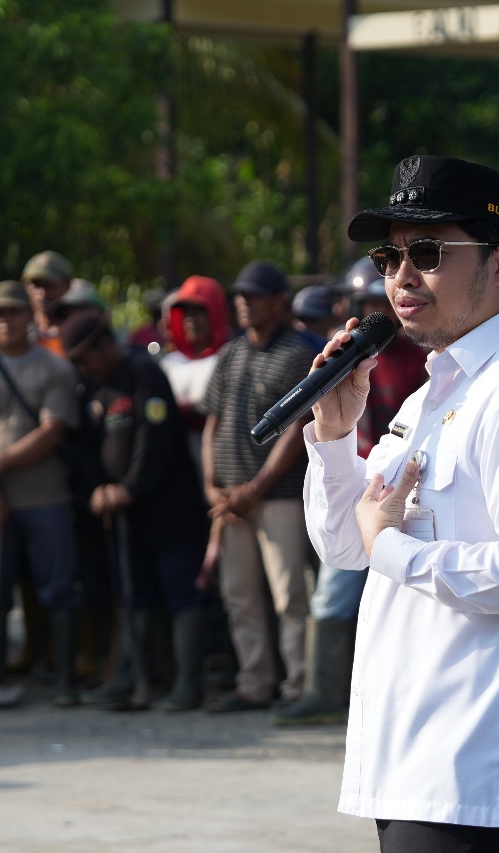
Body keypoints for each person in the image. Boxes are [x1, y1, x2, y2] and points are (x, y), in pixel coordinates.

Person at [305, 154, 499, 850]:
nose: (401, 277)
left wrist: (396, 548)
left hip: (488, 778)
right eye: (390, 256)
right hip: (419, 764)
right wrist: (332, 435)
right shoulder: (435, 391)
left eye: (429, 253)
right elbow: (348, 547)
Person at [272, 256, 426, 727]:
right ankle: (322, 692)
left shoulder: (421, 359)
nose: (373, 309)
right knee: (332, 594)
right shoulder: (350, 357)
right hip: (355, 480)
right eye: (363, 302)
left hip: (404, 487)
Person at [62, 313, 209, 712]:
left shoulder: (144, 374)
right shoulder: (92, 387)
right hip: (126, 514)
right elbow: (85, 447)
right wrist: (98, 489)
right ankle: (134, 677)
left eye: (85, 358)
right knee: (135, 594)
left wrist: (129, 488)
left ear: (105, 344)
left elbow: (154, 441)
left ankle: (187, 684)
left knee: (181, 594)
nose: (82, 367)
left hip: (169, 508)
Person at [0, 281, 82, 707]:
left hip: (45, 496)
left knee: (58, 587)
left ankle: (63, 680)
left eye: (14, 312)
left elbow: (51, 431)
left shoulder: (55, 368)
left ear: (29, 317)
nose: (6, 320)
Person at [201, 259, 318, 712]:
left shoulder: (297, 354)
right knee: (239, 595)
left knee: (291, 595)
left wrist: (258, 486)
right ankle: (254, 681)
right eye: (240, 296)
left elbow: (297, 428)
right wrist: (212, 486)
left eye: (254, 295)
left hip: (279, 496)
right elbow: (212, 422)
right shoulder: (230, 353)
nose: (244, 303)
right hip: (230, 499)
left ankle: (298, 685)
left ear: (279, 301)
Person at [159, 275, 230, 467]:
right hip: (173, 458)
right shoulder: (170, 363)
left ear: (215, 312)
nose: (191, 319)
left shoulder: (230, 358)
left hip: (217, 456)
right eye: (186, 312)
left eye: (199, 311)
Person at [21, 250, 74, 355]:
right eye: (36, 286)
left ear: (68, 285)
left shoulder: (80, 328)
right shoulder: (19, 331)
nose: (42, 293)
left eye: (49, 285)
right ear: (26, 287)